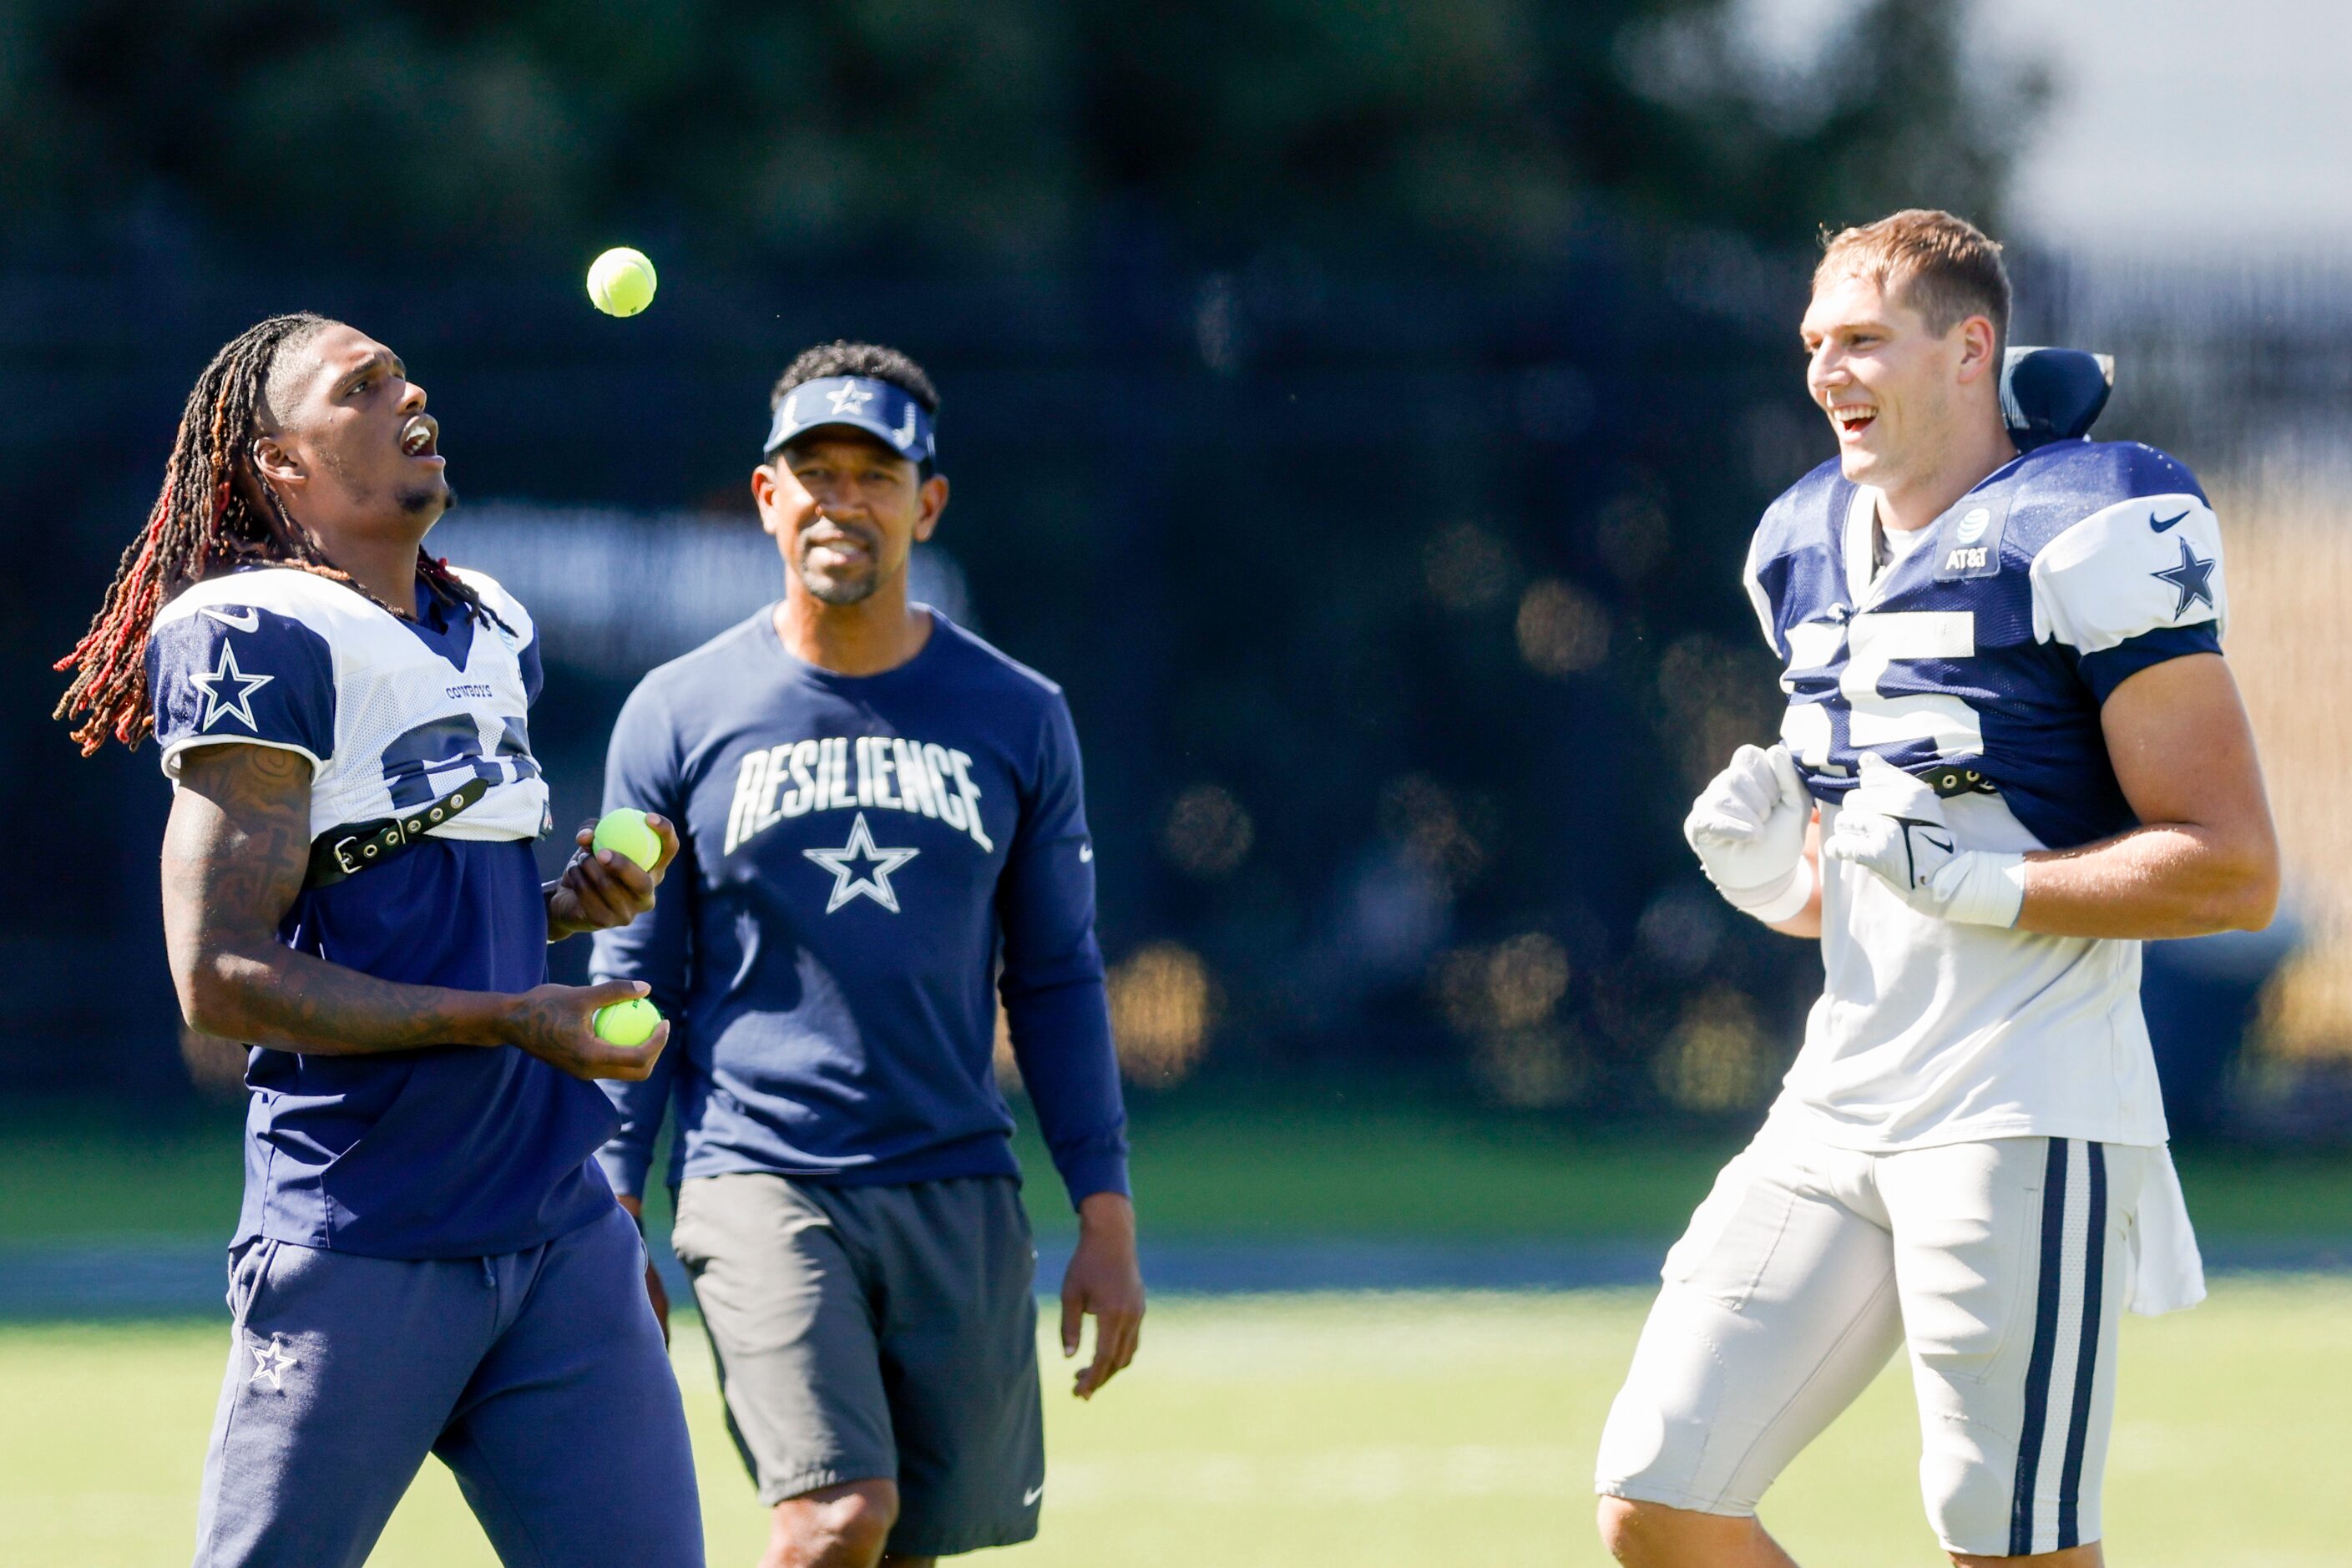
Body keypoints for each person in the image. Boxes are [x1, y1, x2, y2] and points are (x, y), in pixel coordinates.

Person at [1593, 211, 2279, 1567]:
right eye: (1811, 345)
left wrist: (1993, 886)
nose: (1825, 374)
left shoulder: (2090, 525)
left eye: (1860, 341)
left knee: (2005, 1544)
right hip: (1838, 1098)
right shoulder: (1797, 543)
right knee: (1658, 1496)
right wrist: (1768, 882)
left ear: (1970, 348)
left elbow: (2230, 867)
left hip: (2019, 1102)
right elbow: (1869, 890)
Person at [54, 313, 704, 1568]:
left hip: (556, 1231)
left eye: (407, 376)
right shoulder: (256, 630)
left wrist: (563, 905)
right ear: (277, 463)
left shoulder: (491, 627)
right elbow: (220, 974)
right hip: (363, 1235)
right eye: (363, 388)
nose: (413, 398)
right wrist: (514, 1015)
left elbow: (429, 909)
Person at [593, 340, 1145, 1568]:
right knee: (835, 1519)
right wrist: (611, 1200)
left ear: (926, 502)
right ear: (766, 496)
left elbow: (1053, 975)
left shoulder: (1017, 713)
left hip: (955, 1177)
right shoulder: (676, 714)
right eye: (816, 472)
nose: (843, 499)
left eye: (874, 474)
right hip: (759, 1174)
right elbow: (636, 979)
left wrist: (1102, 1212)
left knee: (902, 1550)